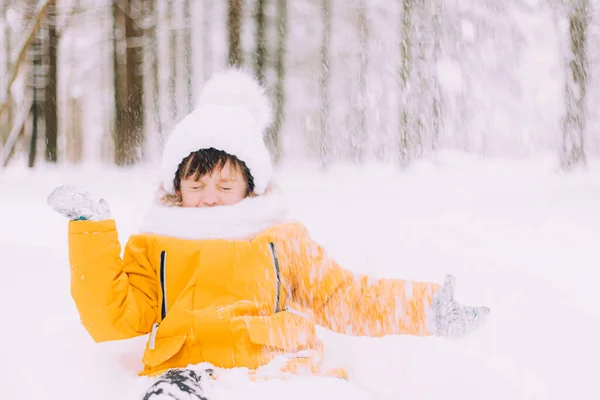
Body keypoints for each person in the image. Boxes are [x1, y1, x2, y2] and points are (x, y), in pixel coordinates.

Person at [48, 69, 489, 391]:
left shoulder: (280, 239)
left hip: (281, 373)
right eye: (196, 184)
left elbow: (345, 297)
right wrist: (91, 232)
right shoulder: (157, 244)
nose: (209, 196)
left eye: (225, 184)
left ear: (251, 186)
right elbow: (112, 318)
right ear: (176, 187)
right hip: (191, 378)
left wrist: (425, 308)